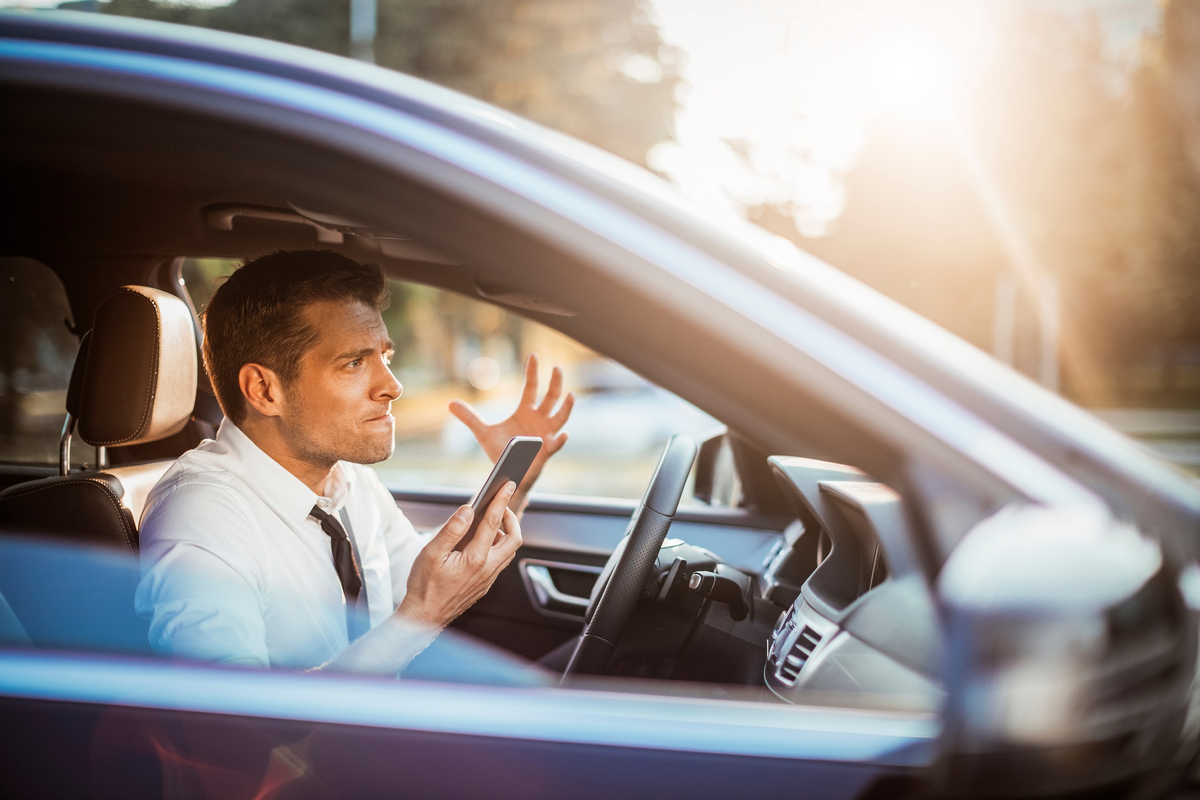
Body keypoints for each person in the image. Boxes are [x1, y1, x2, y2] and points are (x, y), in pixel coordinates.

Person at [134, 250, 575, 674]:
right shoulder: (202, 516)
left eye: (385, 356)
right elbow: (226, 727)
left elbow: (430, 578)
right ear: (265, 390)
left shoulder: (349, 481)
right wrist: (420, 619)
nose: (393, 385)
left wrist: (513, 479)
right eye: (353, 363)